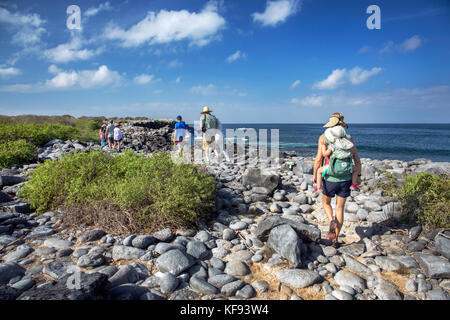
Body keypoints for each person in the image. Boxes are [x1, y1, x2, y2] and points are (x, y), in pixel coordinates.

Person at [313, 112, 361, 247]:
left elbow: (319, 159)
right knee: (340, 208)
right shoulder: (349, 139)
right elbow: (356, 159)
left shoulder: (323, 138)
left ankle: (330, 220)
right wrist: (358, 177)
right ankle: (335, 240)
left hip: (329, 177)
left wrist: (315, 175)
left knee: (326, 203)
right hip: (346, 178)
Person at [314, 125, 357, 194]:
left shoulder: (333, 146)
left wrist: (323, 147)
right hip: (346, 167)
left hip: (333, 167)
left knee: (319, 171)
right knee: (355, 170)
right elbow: (355, 155)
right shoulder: (347, 145)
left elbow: (325, 154)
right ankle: (353, 184)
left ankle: (319, 187)